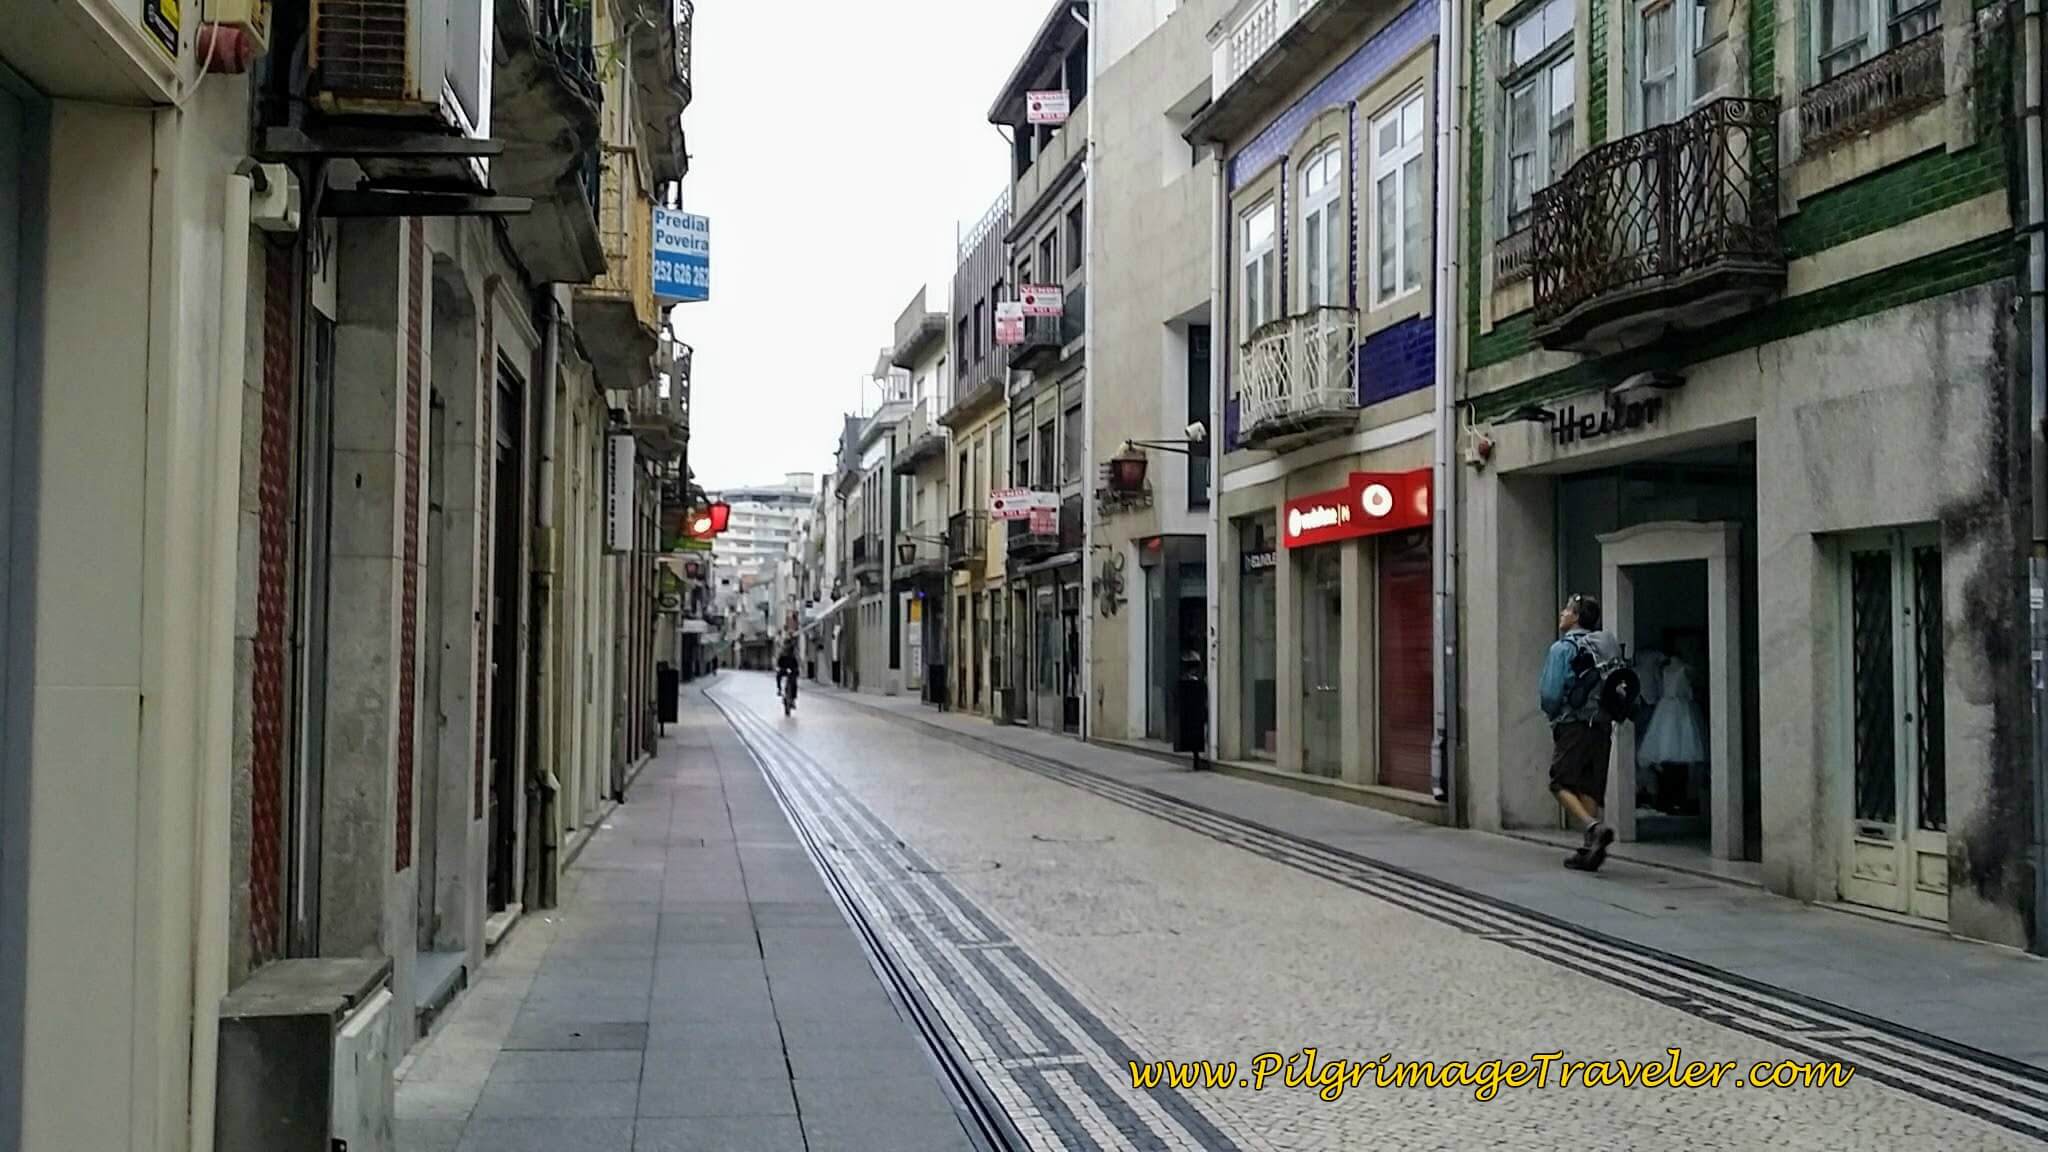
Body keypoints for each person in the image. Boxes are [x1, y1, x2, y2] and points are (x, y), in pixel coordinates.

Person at [1539, 593, 1622, 871]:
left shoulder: (1562, 649)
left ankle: (1593, 828)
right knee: (1589, 787)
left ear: (1575, 617)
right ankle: (1589, 850)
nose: (1562, 613)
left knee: (1559, 782)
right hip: (1601, 725)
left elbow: (1550, 694)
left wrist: (1554, 715)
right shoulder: (1603, 646)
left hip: (1573, 724)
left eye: (1567, 609)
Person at [775, 638, 800, 704]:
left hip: (791, 669)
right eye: (786, 644)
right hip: (784, 669)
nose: (786, 646)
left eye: (787, 644)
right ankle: (779, 689)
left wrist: (797, 669)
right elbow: (779, 661)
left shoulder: (793, 652)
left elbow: (796, 661)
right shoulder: (782, 652)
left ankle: (793, 698)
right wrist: (778, 667)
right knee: (778, 676)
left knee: (794, 683)